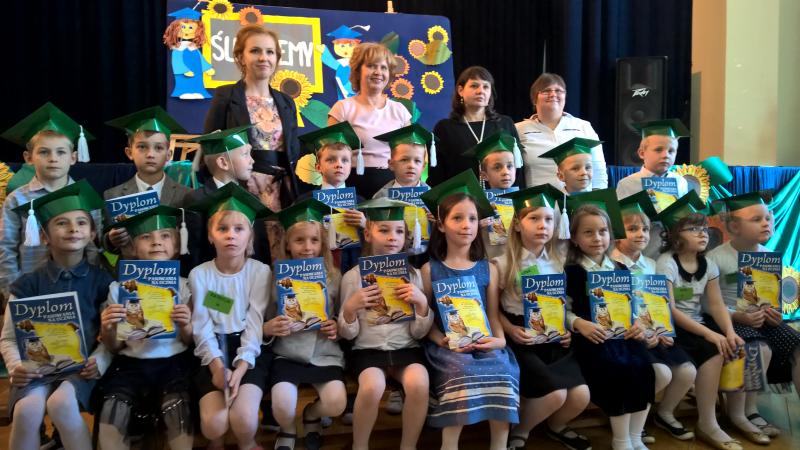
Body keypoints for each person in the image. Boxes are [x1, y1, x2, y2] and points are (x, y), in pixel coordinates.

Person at [0, 180, 113, 450]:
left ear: (92, 233)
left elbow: (112, 334)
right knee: (27, 410)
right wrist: (16, 367)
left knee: (61, 404)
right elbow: (8, 338)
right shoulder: (27, 284)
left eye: (81, 223)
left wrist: (100, 360)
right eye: (62, 223)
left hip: (81, 368)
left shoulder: (102, 281)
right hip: (36, 367)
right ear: (44, 236)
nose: (73, 229)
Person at [420, 170, 520, 450]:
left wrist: (500, 341)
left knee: (503, 369)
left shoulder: (489, 269)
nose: (467, 225)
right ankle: (449, 445)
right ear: (441, 225)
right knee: (461, 371)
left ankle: (499, 444)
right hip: (447, 347)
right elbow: (426, 320)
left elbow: (492, 314)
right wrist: (442, 340)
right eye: (457, 218)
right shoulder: (429, 270)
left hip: (485, 341)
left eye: (473, 219)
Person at [494, 185, 591, 450]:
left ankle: (556, 426)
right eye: (534, 218)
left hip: (551, 332)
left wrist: (565, 329)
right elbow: (492, 309)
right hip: (520, 334)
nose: (542, 225)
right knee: (554, 394)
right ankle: (521, 430)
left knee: (581, 395)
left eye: (548, 219)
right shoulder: (503, 263)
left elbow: (560, 304)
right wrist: (510, 330)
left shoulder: (558, 263)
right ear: (517, 224)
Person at [97, 206, 195, 450]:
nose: (156, 242)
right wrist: (107, 327)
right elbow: (115, 347)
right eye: (145, 236)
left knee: (179, 426)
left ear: (177, 245)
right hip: (130, 364)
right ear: (132, 247)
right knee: (109, 428)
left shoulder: (185, 287)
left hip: (174, 363)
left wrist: (186, 325)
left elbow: (189, 342)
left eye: (165, 236)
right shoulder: (118, 289)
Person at [338, 198, 433, 450]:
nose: (393, 237)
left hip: (406, 348)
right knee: (372, 386)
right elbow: (347, 334)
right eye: (384, 230)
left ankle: (408, 446)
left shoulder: (412, 276)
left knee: (419, 383)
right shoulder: (352, 278)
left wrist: (422, 304)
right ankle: (359, 445)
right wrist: (350, 308)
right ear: (368, 234)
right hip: (367, 350)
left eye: (399, 231)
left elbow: (418, 332)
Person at [562, 190, 654, 450]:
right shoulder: (571, 271)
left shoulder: (620, 269)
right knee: (616, 368)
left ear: (611, 234)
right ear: (575, 238)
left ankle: (636, 436)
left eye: (602, 231)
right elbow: (560, 309)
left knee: (644, 366)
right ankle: (621, 440)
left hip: (623, 335)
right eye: (588, 232)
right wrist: (578, 323)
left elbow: (631, 306)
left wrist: (638, 324)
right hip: (592, 338)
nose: (597, 238)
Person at [708, 192, 800, 444]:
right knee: (756, 347)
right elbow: (707, 304)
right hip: (729, 321)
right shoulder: (715, 258)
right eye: (756, 219)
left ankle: (751, 411)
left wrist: (775, 314)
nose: (766, 223)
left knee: (797, 345)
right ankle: (742, 413)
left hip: (763, 321)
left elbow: (773, 299)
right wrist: (738, 316)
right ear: (734, 227)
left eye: (768, 218)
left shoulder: (768, 256)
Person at [655, 191, 745, 450]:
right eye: (693, 229)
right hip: (673, 326)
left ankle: (709, 421)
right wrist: (709, 333)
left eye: (704, 228)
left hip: (697, 322)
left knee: (724, 347)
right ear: (675, 235)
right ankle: (670, 413)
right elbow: (670, 309)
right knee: (710, 347)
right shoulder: (667, 263)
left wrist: (728, 331)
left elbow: (716, 304)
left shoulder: (708, 264)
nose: (702, 234)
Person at [188, 183, 272, 450]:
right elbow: (201, 327)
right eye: (222, 229)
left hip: (249, 350)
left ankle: (248, 443)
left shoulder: (260, 272)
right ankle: (216, 442)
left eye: (239, 229)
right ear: (210, 236)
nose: (231, 236)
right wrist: (217, 368)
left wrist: (241, 367)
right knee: (214, 424)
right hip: (211, 351)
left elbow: (255, 323)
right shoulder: (199, 275)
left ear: (250, 235)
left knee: (244, 420)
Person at [613, 192, 697, 444]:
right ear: (616, 231)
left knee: (687, 371)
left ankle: (663, 414)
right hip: (628, 335)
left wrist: (664, 330)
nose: (641, 234)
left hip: (655, 333)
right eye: (632, 229)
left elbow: (660, 303)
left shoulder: (652, 264)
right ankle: (631, 421)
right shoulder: (609, 265)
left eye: (645, 229)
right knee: (659, 373)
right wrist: (644, 332)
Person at [263, 198, 346, 450]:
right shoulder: (275, 276)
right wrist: (271, 327)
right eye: (299, 240)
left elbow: (342, 317)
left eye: (314, 240)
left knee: (336, 403)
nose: (307, 247)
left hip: (324, 352)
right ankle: (288, 428)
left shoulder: (334, 276)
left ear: (322, 244)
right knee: (282, 405)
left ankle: (311, 414)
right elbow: (266, 317)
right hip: (287, 353)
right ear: (287, 244)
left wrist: (335, 327)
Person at [0, 102, 101, 298]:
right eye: (44, 152)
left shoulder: (85, 197)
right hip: (30, 291)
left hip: (78, 289)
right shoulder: (17, 199)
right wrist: (12, 291)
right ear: (28, 157)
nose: (53, 158)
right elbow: (5, 248)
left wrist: (92, 289)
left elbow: (93, 248)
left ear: (73, 157)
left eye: (61, 152)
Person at [203, 24, 303, 206]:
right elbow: (210, 149)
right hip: (239, 191)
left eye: (270, 52)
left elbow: (293, 150)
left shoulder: (287, 102)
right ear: (241, 57)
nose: (263, 58)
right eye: (255, 51)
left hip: (283, 191)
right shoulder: (225, 95)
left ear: (277, 58)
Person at [103, 106, 193, 257]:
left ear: (168, 155)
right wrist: (110, 240)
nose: (150, 154)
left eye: (158, 148)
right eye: (142, 147)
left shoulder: (186, 195)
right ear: (129, 152)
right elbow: (102, 240)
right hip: (131, 269)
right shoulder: (114, 195)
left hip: (171, 268)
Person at [328, 42, 411, 198]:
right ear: (358, 71)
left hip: (391, 190)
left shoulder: (400, 111)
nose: (378, 72)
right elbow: (330, 156)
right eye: (372, 66)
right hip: (351, 189)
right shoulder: (342, 108)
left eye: (384, 67)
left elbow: (409, 156)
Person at [429, 66, 523, 187]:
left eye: (486, 87)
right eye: (474, 86)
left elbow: (518, 170)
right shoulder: (445, 128)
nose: (480, 91)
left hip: (501, 198)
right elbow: (437, 176)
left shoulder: (504, 124)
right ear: (460, 90)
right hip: (460, 197)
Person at [516, 73, 607, 190]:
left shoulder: (583, 126)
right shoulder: (519, 129)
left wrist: (598, 197)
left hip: (580, 198)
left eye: (558, 91)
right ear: (534, 99)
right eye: (546, 90)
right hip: (538, 199)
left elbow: (598, 171)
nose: (553, 94)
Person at [615, 119, 691, 259]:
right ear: (641, 153)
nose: (666, 155)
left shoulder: (680, 182)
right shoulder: (628, 184)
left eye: (671, 151)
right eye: (658, 150)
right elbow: (620, 225)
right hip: (644, 250)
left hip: (674, 251)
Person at [462, 131, 524, 259]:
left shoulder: (524, 201)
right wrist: (477, 226)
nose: (505, 172)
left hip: (518, 258)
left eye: (510, 166)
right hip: (489, 258)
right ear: (484, 175)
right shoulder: (477, 204)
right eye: (497, 167)